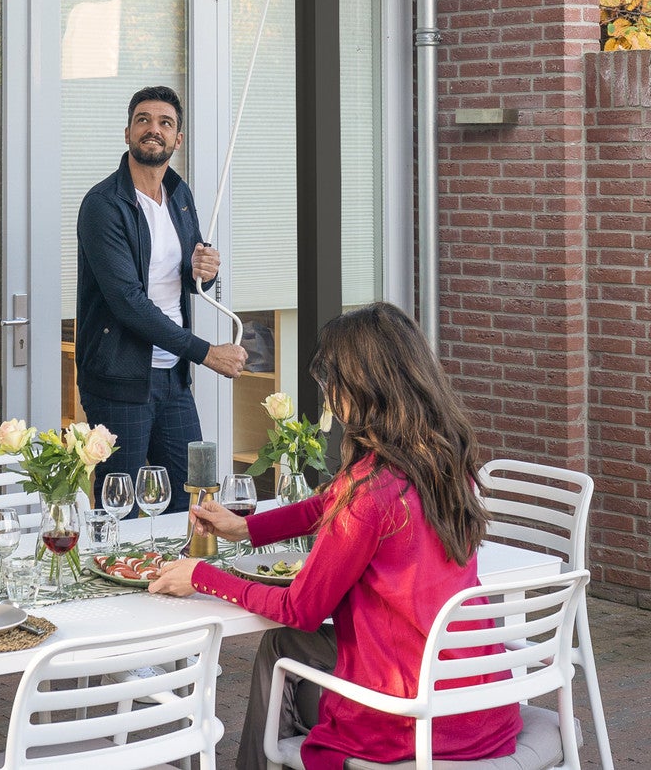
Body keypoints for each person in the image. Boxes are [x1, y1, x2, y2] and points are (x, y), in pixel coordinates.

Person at [149, 303, 521, 770]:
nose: (328, 398)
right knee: (283, 646)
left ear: (362, 389)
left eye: (332, 384)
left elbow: (300, 609)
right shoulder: (443, 460)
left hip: (410, 720)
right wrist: (246, 527)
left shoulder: (369, 493)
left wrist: (202, 576)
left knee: (285, 649)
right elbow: (327, 504)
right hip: (480, 703)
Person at [75, 85, 247, 510]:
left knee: (192, 498)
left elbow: (184, 275)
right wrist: (206, 353)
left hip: (173, 378)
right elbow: (127, 301)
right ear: (128, 133)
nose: (154, 129)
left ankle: (178, 560)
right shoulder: (104, 205)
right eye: (144, 120)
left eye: (165, 123)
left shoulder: (179, 196)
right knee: (121, 505)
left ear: (177, 139)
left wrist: (203, 270)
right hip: (119, 381)